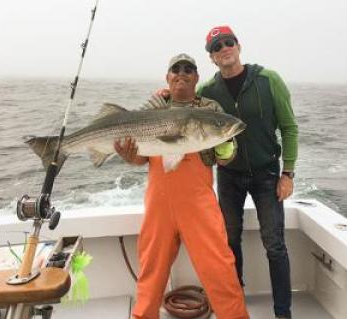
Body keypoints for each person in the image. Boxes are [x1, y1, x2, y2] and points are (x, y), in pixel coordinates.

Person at [114, 53, 249, 319]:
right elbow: (141, 158)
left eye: (189, 69)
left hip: (198, 201)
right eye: (176, 69)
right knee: (151, 268)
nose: (182, 73)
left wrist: (225, 149)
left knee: (219, 267)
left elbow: (226, 157)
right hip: (158, 202)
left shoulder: (210, 109)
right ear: (168, 77)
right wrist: (130, 156)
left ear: (196, 78)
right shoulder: (153, 109)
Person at [196, 26, 299, 319]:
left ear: (239, 46)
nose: (223, 48)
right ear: (212, 58)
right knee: (228, 241)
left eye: (228, 42)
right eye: (216, 47)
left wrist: (288, 173)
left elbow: (289, 128)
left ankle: (283, 313)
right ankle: (233, 305)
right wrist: (165, 92)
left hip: (268, 173)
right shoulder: (207, 92)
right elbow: (183, 108)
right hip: (229, 176)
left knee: (275, 245)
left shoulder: (268, 80)